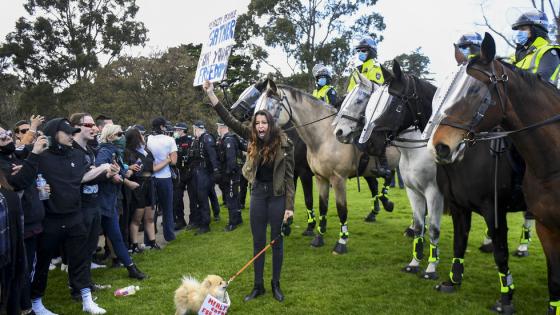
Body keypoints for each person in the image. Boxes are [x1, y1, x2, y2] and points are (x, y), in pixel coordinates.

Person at [204, 80, 295, 302]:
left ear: (271, 124)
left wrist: (289, 208)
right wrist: (211, 94)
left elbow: (290, 178)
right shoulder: (251, 137)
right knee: (258, 242)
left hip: (277, 197)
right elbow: (229, 119)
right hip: (257, 195)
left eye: (264, 123)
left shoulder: (285, 144)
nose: (261, 126)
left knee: (276, 242)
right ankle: (258, 286)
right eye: (258, 123)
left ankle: (275, 285)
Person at [31, 118, 111, 315]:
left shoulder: (75, 153)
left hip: (75, 215)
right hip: (50, 219)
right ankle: (36, 303)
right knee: (42, 263)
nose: (70, 135)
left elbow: (81, 178)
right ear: (54, 134)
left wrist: (103, 169)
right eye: (66, 132)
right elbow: (23, 176)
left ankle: (86, 299)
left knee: (81, 258)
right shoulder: (41, 156)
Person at [0, 126, 47, 314]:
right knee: (18, 273)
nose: (5, 137)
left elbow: (26, 173)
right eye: (0, 136)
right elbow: (17, 182)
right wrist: (34, 155)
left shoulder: (14, 155)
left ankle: (27, 306)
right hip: (15, 228)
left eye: (6, 133)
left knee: (25, 270)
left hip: (29, 221)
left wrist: (29, 163)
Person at [95, 124, 146, 280]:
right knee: (92, 240)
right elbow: (99, 170)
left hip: (110, 201)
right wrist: (112, 174)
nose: (122, 137)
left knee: (116, 236)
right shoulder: (104, 152)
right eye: (119, 134)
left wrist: (124, 173)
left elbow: (122, 172)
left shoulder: (115, 152)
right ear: (110, 137)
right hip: (101, 202)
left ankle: (131, 268)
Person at [124, 127, 161, 251]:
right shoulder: (128, 152)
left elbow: (152, 166)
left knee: (150, 216)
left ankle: (152, 242)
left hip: (149, 184)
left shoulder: (146, 151)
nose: (143, 136)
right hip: (138, 185)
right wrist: (130, 167)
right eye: (140, 134)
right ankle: (134, 245)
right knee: (137, 217)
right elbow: (127, 169)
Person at [146, 117, 178, 242]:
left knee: (151, 210)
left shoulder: (148, 139)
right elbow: (174, 161)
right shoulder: (170, 139)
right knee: (167, 209)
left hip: (151, 177)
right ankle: (169, 236)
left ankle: (149, 239)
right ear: (161, 127)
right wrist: (168, 159)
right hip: (165, 177)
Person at [510, 9, 560, 85]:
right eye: (519, 30)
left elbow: (539, 84)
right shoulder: (514, 57)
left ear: (536, 29)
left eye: (523, 29)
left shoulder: (548, 51)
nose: (519, 33)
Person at [189, 121, 220, 235]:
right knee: (202, 196)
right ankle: (202, 220)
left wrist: (216, 170)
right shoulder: (200, 139)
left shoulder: (206, 139)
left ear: (197, 129)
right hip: (199, 171)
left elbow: (212, 155)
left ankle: (205, 224)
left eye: (194, 129)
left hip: (205, 172)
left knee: (202, 197)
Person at [216, 121, 243, 231]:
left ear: (222, 127)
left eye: (218, 127)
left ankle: (232, 223)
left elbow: (231, 161)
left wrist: (227, 175)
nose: (217, 129)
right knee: (234, 198)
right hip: (230, 174)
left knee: (231, 198)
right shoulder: (225, 139)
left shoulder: (228, 140)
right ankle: (238, 219)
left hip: (231, 175)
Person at [172, 122, 192, 230]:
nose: (176, 132)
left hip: (189, 171)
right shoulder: (174, 141)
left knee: (193, 196)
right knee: (177, 198)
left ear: (182, 130)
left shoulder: (190, 140)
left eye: (177, 130)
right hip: (179, 172)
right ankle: (180, 220)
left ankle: (193, 219)